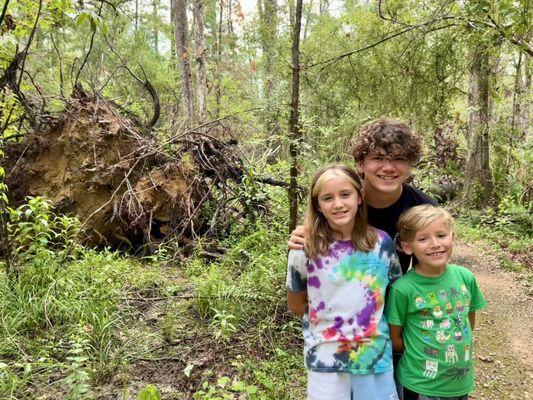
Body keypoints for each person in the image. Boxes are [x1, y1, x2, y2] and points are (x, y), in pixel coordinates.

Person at [286, 164, 402, 400]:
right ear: (318, 204)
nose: (338, 204)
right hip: (325, 358)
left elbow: (394, 295)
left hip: (374, 356)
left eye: (345, 194)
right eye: (328, 198)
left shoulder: (382, 244)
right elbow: (296, 305)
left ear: (360, 197)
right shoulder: (303, 248)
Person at [288, 117, 436, 274]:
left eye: (399, 159)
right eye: (378, 158)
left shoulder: (423, 208)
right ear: (360, 163)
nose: (388, 167)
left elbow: (428, 273)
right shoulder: (342, 203)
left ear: (409, 164)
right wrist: (300, 239)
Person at [385, 205, 486, 400]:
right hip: (420, 384)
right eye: (422, 239)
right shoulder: (403, 289)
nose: (435, 244)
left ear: (452, 237)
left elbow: (468, 321)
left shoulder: (466, 277)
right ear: (407, 247)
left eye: (441, 235)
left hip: (460, 381)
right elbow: (396, 339)